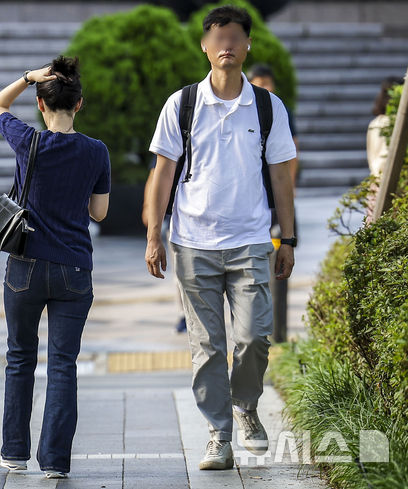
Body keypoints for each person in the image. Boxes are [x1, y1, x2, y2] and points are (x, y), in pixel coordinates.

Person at [144, 5, 297, 470]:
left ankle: (246, 407)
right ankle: (218, 434)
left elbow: (282, 178)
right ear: (205, 47)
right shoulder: (182, 104)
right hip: (192, 242)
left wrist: (287, 238)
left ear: (248, 45)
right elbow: (162, 173)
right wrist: (155, 233)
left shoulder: (268, 106)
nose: (227, 44)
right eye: (218, 37)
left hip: (251, 239)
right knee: (207, 345)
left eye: (235, 36)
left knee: (253, 337)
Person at [0, 56, 110, 479]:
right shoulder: (97, 152)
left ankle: (13, 452)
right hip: (74, 270)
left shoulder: (27, 141)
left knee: (20, 357)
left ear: (41, 105)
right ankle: (55, 461)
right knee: (63, 363)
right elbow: (99, 213)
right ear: (80, 105)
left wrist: (27, 77)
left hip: (25, 266)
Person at [247, 63, 299, 343]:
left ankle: (272, 330)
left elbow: (293, 151)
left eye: (268, 83)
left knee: (278, 257)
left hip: (275, 202)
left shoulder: (278, 110)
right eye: (259, 83)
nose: (265, 89)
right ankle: (261, 326)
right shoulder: (243, 110)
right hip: (251, 203)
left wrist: (290, 189)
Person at [141, 162, 187, 333]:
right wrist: (148, 207)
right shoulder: (176, 134)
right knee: (180, 272)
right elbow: (155, 173)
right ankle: (184, 314)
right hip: (176, 215)